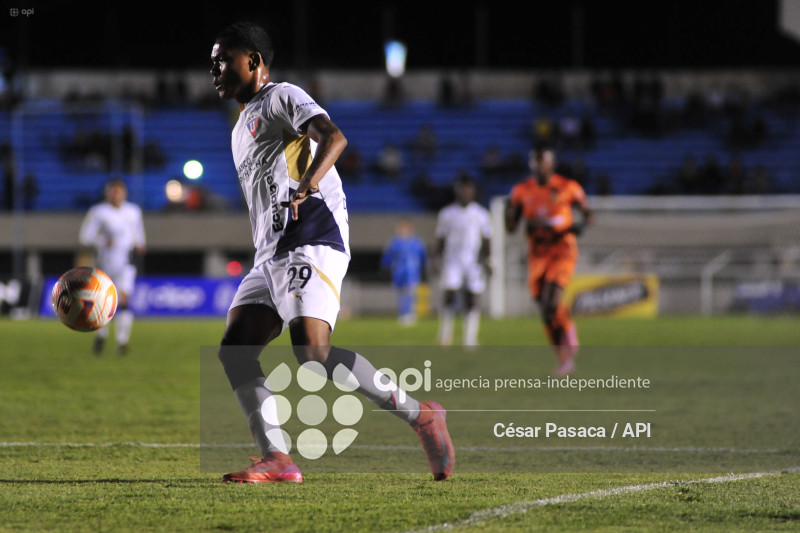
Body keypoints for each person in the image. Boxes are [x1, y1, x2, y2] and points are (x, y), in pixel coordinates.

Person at [210, 21, 453, 483]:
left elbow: (333, 136)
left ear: (255, 61)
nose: (214, 68)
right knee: (236, 351)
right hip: (271, 252)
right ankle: (277, 460)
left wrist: (307, 186)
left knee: (312, 352)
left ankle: (421, 413)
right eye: (213, 61)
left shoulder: (281, 95)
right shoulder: (241, 124)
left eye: (224, 59)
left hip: (311, 234)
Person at [505, 143, 592, 376]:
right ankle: (564, 356)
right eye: (535, 161)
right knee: (545, 309)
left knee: (551, 301)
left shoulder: (568, 187)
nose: (539, 166)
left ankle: (566, 339)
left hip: (562, 250)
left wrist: (576, 227)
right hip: (537, 254)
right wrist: (509, 214)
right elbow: (511, 227)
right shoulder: (521, 191)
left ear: (551, 163)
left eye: (543, 161)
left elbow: (588, 215)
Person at [78, 178, 145, 356]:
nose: (116, 195)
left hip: (126, 263)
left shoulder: (133, 211)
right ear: (108, 193)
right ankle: (102, 334)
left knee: (124, 300)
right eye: (113, 191)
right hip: (105, 262)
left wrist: (140, 244)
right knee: (105, 302)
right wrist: (102, 240)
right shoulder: (98, 212)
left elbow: (138, 234)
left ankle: (122, 342)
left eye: (119, 191)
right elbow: (85, 236)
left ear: (125, 193)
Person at [434, 174, 491, 347]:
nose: (466, 193)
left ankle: (470, 338)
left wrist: (488, 259)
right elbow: (441, 239)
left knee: (472, 298)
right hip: (452, 261)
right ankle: (445, 335)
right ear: (457, 191)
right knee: (449, 295)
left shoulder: (481, 214)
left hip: (473, 262)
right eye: (463, 190)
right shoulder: (447, 213)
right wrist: (437, 258)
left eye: (469, 190)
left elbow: (487, 238)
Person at [381, 219, 427, 326]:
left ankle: (411, 314)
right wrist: (385, 268)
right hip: (399, 272)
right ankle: (403, 314)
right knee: (401, 293)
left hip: (412, 272)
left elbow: (423, 257)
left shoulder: (416, 242)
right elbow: (388, 257)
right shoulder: (395, 242)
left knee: (411, 293)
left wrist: (423, 269)